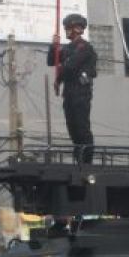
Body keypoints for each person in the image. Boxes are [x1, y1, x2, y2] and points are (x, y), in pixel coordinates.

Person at [47, 13, 98, 164]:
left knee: (82, 127)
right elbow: (52, 61)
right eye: (66, 28)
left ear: (78, 29)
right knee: (72, 127)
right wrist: (53, 47)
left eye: (69, 28)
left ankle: (86, 160)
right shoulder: (68, 48)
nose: (66, 31)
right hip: (69, 93)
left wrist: (59, 75)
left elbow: (70, 66)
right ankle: (79, 158)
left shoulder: (85, 47)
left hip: (81, 93)